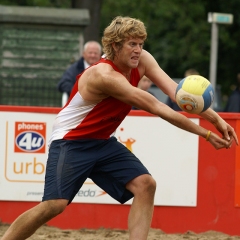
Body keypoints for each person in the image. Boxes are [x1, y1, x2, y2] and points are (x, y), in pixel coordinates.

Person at [2, 16, 238, 240]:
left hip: (102, 141)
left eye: (141, 43)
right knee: (54, 205)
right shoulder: (104, 75)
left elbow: (177, 95)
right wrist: (205, 133)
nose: (138, 49)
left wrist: (216, 119)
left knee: (146, 185)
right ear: (115, 46)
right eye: (132, 44)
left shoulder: (143, 59)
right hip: (71, 141)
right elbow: (156, 107)